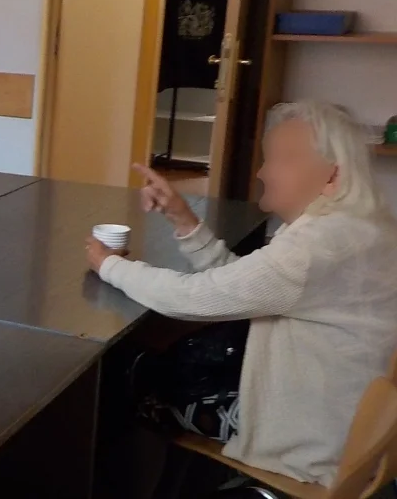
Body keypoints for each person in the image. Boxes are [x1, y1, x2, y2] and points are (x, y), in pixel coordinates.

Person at [86, 101, 397, 487]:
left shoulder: (318, 246)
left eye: (283, 159)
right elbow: (247, 286)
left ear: (332, 174)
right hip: (349, 426)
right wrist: (184, 219)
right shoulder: (360, 227)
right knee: (163, 360)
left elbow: (194, 297)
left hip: (309, 437)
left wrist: (109, 265)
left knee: (122, 376)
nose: (263, 171)